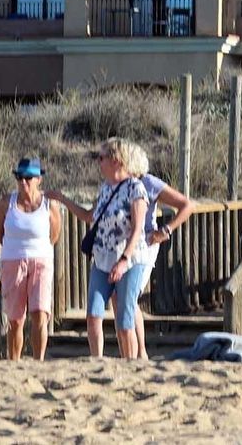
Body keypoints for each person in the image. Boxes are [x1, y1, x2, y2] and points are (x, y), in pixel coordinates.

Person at [50, 137, 148, 358]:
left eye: (102, 157)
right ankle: (98, 362)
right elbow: (89, 216)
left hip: (129, 260)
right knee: (93, 314)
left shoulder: (136, 188)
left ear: (117, 160)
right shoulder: (105, 188)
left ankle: (130, 365)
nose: (98, 162)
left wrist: (124, 260)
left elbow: (137, 228)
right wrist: (62, 199)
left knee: (125, 320)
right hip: (102, 258)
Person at [118, 142, 196, 360]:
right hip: (120, 245)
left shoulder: (148, 182)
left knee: (129, 297)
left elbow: (187, 205)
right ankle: (132, 351)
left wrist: (166, 230)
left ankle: (139, 351)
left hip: (144, 244)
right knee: (121, 299)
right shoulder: (116, 183)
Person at [0, 156, 61, 361]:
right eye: (20, 177)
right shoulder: (7, 202)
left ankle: (38, 359)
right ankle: (14, 360)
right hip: (13, 259)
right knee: (15, 319)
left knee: (40, 313)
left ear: (39, 179)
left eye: (29, 177)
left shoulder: (49, 204)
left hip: (41, 259)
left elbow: (54, 234)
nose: (24, 182)